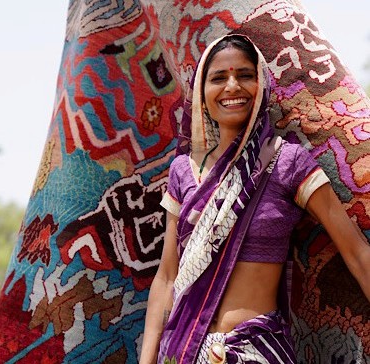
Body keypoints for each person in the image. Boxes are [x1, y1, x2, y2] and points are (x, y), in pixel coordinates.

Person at [139, 33, 370, 364]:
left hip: (257, 351)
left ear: (261, 86)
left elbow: (357, 252)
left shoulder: (285, 162)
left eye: (244, 75)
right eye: (219, 78)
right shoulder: (182, 172)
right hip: (184, 353)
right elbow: (166, 279)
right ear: (202, 95)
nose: (232, 86)